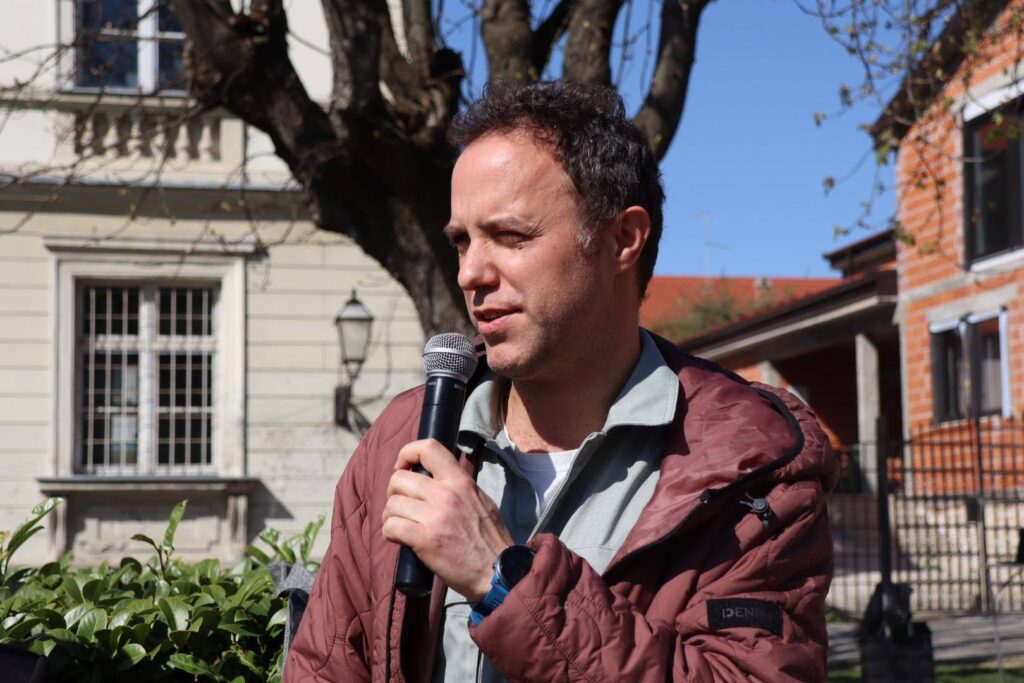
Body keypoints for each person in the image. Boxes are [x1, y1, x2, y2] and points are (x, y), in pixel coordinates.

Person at [285, 80, 839, 683]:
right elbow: (325, 667)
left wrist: (504, 579)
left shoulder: (751, 467)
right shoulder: (405, 435)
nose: (470, 273)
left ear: (623, 239)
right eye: (462, 241)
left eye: (510, 236)